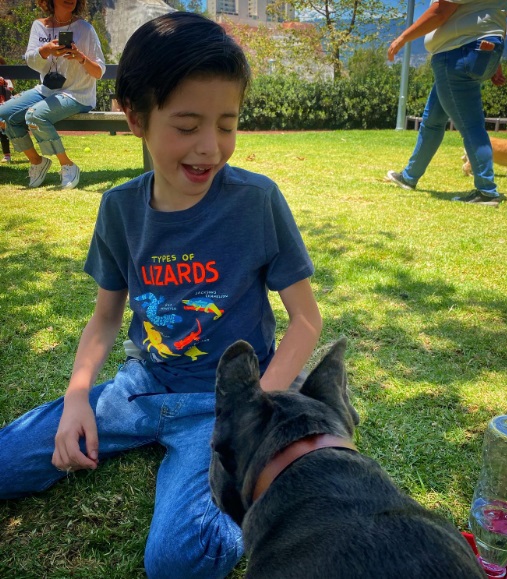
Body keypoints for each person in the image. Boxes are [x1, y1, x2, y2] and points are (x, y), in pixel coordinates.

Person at [0, 12, 322, 579]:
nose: (210, 147)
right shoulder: (120, 209)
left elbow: (305, 322)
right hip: (140, 389)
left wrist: (255, 413)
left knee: (177, 562)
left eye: (227, 123)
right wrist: (78, 399)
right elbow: (104, 321)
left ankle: (254, 491)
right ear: (136, 120)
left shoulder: (257, 202)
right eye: (187, 124)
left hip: (224, 405)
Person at [385, 0, 507, 206]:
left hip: (458, 55)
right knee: (432, 120)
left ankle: (487, 191)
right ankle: (409, 177)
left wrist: (402, 38)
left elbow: (441, 11)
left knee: (471, 126)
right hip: (478, 50)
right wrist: (493, 62)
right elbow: (488, 16)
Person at [0, 0, 105, 189]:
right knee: (4, 114)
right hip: (46, 91)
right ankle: (37, 162)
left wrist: (81, 57)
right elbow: (32, 61)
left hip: (78, 94)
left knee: (35, 115)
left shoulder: (85, 29)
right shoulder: (39, 26)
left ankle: (68, 165)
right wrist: (45, 50)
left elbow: (99, 71)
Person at [0, 57, 14, 163]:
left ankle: (7, 155)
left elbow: (9, 89)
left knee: (3, 133)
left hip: (3, 107)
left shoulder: (6, 78)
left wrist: (3, 82)